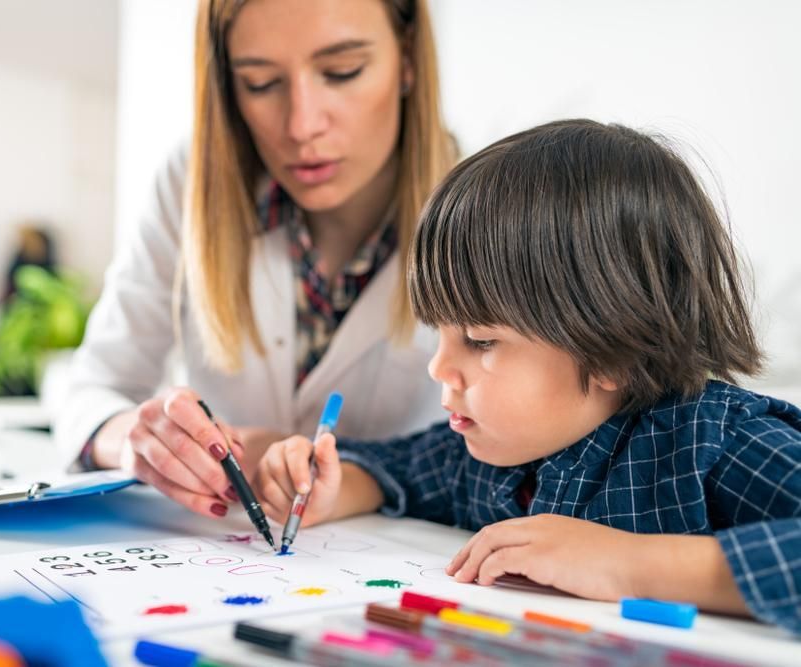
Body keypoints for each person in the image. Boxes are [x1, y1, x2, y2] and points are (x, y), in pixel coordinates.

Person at [255, 119, 801, 633]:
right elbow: (398, 468)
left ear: (613, 351)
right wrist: (332, 488)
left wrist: (628, 564)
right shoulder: (492, 448)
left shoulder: (717, 442)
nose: (438, 367)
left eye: (481, 341)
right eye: (438, 333)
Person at [54, 0, 456, 518]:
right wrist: (138, 441)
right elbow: (90, 390)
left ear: (407, 59)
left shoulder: (495, 212)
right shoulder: (191, 185)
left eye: (342, 72)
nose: (301, 125)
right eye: (261, 83)